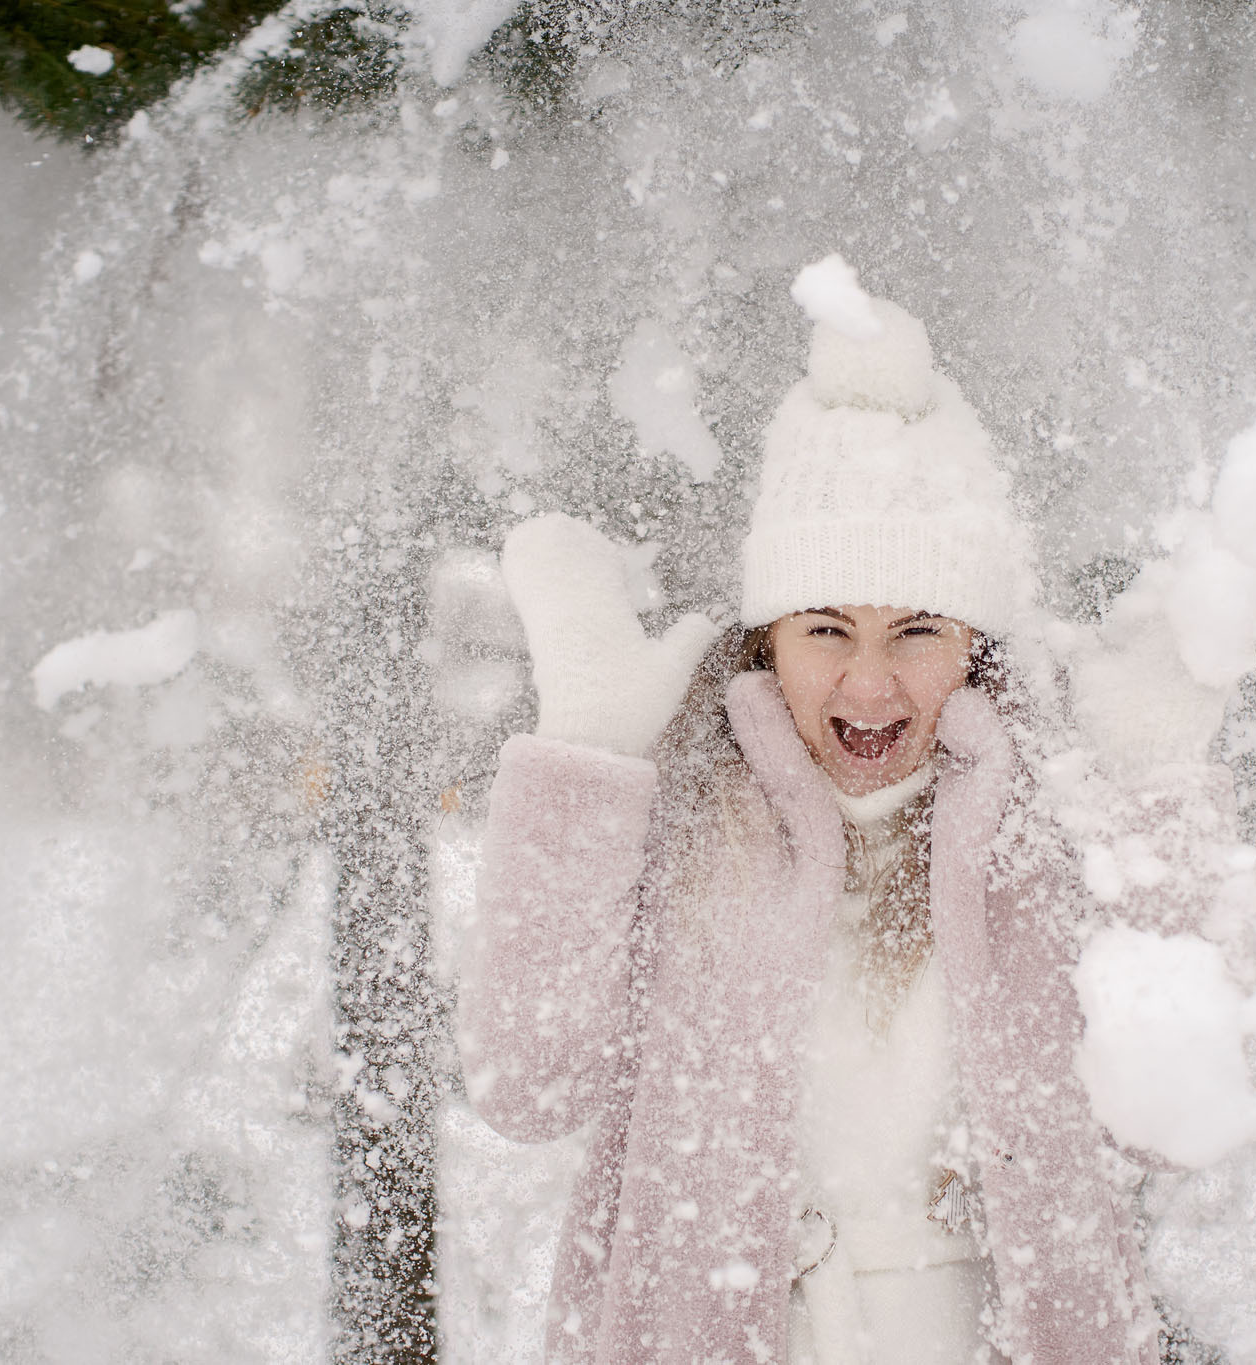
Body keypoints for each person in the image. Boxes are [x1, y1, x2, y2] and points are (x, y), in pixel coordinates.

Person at [457, 292, 1162, 1364]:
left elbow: (1170, 1115)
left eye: (918, 630)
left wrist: (1165, 789)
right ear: (767, 641)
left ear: (972, 645)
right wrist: (584, 756)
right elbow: (525, 1083)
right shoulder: (677, 827)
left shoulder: (1050, 836)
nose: (868, 682)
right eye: (826, 627)